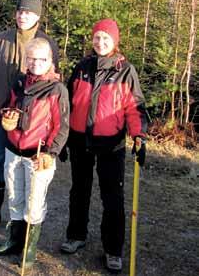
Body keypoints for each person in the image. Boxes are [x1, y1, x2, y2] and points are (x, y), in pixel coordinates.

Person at [59, 18, 148, 273]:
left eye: (106, 38)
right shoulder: (82, 67)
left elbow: (134, 108)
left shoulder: (125, 70)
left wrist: (139, 135)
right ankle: (76, 235)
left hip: (111, 144)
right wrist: (62, 138)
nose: (100, 42)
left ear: (115, 41)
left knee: (113, 197)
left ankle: (113, 249)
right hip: (79, 141)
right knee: (79, 191)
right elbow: (68, 104)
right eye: (97, 37)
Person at [0, 0, 59, 231]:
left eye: (29, 13)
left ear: (37, 17)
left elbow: (53, 80)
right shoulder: (1, 40)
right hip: (2, 115)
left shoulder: (47, 43)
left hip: (32, 122)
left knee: (27, 170)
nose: (23, 16)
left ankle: (23, 222)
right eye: (20, 11)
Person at [0, 38, 69, 269]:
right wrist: (7, 116)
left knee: (33, 203)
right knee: (15, 197)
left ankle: (29, 248)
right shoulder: (19, 82)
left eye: (41, 59)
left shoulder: (57, 89)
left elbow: (62, 126)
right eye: (31, 58)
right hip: (13, 150)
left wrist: (50, 153)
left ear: (50, 61)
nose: (35, 63)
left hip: (39, 155)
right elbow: (11, 107)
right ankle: (14, 240)